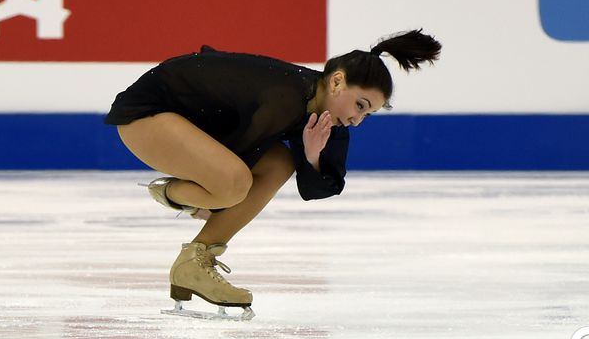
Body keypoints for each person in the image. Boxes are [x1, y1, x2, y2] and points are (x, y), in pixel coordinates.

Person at [104, 29, 441, 319]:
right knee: (232, 184)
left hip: (197, 125)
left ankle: (196, 260)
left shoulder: (329, 120)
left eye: (367, 115)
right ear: (337, 82)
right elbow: (236, 155)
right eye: (360, 106)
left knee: (280, 161)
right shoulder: (284, 96)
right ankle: (172, 193)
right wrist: (211, 200)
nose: (357, 120)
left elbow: (324, 186)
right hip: (149, 113)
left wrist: (311, 154)